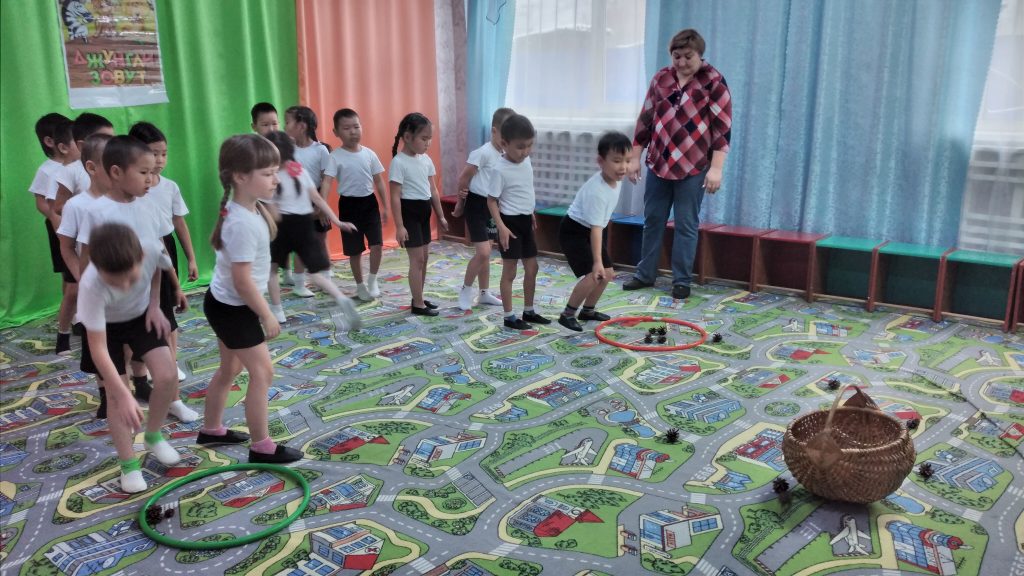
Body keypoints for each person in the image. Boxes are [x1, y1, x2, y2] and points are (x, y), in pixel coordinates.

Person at [199, 134, 302, 464]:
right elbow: (242, 282)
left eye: (275, 172)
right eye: (268, 173)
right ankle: (261, 446)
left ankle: (211, 429)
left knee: (230, 368)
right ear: (241, 177)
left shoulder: (248, 208)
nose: (276, 179)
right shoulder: (241, 222)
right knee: (263, 373)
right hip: (234, 309)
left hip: (225, 304)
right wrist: (267, 313)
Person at [78, 135, 197, 423]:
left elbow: (157, 254)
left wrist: (160, 299)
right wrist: (89, 305)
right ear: (116, 172)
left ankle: (167, 410)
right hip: (107, 311)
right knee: (117, 390)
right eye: (144, 172)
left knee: (166, 368)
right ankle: (123, 414)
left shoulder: (149, 206)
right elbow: (86, 263)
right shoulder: (95, 212)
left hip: (143, 305)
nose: (150, 179)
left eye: (153, 172)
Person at [622, 28, 732, 300]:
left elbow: (722, 128)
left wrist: (716, 168)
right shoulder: (661, 78)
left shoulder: (714, 81)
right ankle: (645, 274)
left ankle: (681, 280)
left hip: (693, 167)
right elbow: (645, 120)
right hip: (659, 163)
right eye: (676, 56)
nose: (682, 62)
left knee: (685, 224)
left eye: (688, 56)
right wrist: (635, 158)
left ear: (700, 55)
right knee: (653, 220)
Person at [76, 222, 183, 493]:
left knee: (168, 374)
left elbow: (158, 269)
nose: (124, 286)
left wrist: (155, 305)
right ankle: (129, 465)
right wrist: (123, 394)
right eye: (115, 281)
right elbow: (98, 349)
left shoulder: (151, 249)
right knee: (116, 397)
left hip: (140, 316)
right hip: (106, 328)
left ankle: (153, 435)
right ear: (98, 268)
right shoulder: (90, 286)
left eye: (130, 277)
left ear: (141, 257)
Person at [262, 131, 362, 329]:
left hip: (283, 227)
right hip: (305, 224)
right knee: (315, 273)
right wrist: (338, 221)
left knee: (271, 270)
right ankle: (341, 298)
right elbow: (317, 198)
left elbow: (274, 213)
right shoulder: (298, 170)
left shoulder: (270, 176)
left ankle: (277, 311)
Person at [129, 121, 199, 383]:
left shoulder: (169, 187)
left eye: (163, 154)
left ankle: (171, 360)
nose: (159, 160)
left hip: (165, 247)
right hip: (138, 249)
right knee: (142, 308)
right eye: (153, 153)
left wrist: (191, 258)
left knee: (167, 306)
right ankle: (144, 363)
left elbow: (179, 222)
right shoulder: (133, 191)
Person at [558, 132, 633, 331]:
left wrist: (602, 264)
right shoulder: (596, 191)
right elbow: (596, 230)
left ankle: (588, 310)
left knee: (607, 274)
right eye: (617, 161)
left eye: (627, 160)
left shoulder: (615, 179)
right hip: (574, 231)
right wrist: (597, 261)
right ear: (601, 161)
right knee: (594, 274)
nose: (623, 167)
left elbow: (598, 227)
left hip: (592, 229)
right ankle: (567, 314)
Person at [487, 113, 550, 329]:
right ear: (504, 144)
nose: (526, 151)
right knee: (510, 271)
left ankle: (529, 311)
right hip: (509, 224)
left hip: (525, 221)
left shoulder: (526, 161)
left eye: (530, 145)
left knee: (532, 268)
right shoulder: (499, 169)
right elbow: (491, 200)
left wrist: (530, 211)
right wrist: (501, 227)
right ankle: (509, 316)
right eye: (521, 147)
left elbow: (524, 188)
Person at [321, 108, 389, 301]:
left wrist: (385, 207)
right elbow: (327, 182)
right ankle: (360, 285)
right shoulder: (335, 156)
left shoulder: (369, 154)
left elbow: (379, 181)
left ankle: (372, 280)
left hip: (370, 204)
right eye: (346, 128)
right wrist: (322, 206)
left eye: (356, 126)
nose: (353, 132)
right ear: (336, 132)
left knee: (377, 245)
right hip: (348, 206)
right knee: (355, 250)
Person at [454, 107, 515, 311]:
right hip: (476, 205)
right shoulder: (482, 153)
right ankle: (465, 289)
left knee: (487, 253)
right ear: (494, 131)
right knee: (483, 252)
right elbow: (464, 178)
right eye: (505, 134)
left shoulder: (505, 156)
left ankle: (484, 293)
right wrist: (460, 203)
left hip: (491, 206)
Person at [390, 113, 448, 316]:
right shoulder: (399, 162)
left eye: (430, 138)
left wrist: (441, 215)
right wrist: (399, 226)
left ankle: (419, 297)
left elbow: (433, 190)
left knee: (424, 258)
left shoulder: (426, 160)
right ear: (407, 137)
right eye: (424, 138)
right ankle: (418, 303)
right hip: (409, 213)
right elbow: (395, 196)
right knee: (417, 260)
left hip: (424, 212)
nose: (428, 143)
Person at [30, 113, 79, 355]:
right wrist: (59, 226)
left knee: (77, 282)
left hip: (81, 231)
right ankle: (65, 331)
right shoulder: (49, 171)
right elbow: (43, 203)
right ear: (52, 142)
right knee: (72, 283)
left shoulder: (80, 167)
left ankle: (78, 319)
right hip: (61, 231)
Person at [283, 105, 332, 296]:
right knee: (300, 241)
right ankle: (299, 284)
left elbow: (326, 179)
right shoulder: (289, 151)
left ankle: (325, 279)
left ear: (301, 126)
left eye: (288, 122)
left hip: (317, 197)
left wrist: (322, 206)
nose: (285, 126)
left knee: (320, 239)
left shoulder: (321, 150)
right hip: (297, 200)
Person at [53, 113, 115, 216]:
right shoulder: (71, 171)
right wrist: (87, 212)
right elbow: (58, 207)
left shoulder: (115, 167)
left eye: (112, 140)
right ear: (82, 146)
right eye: (104, 140)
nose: (111, 145)